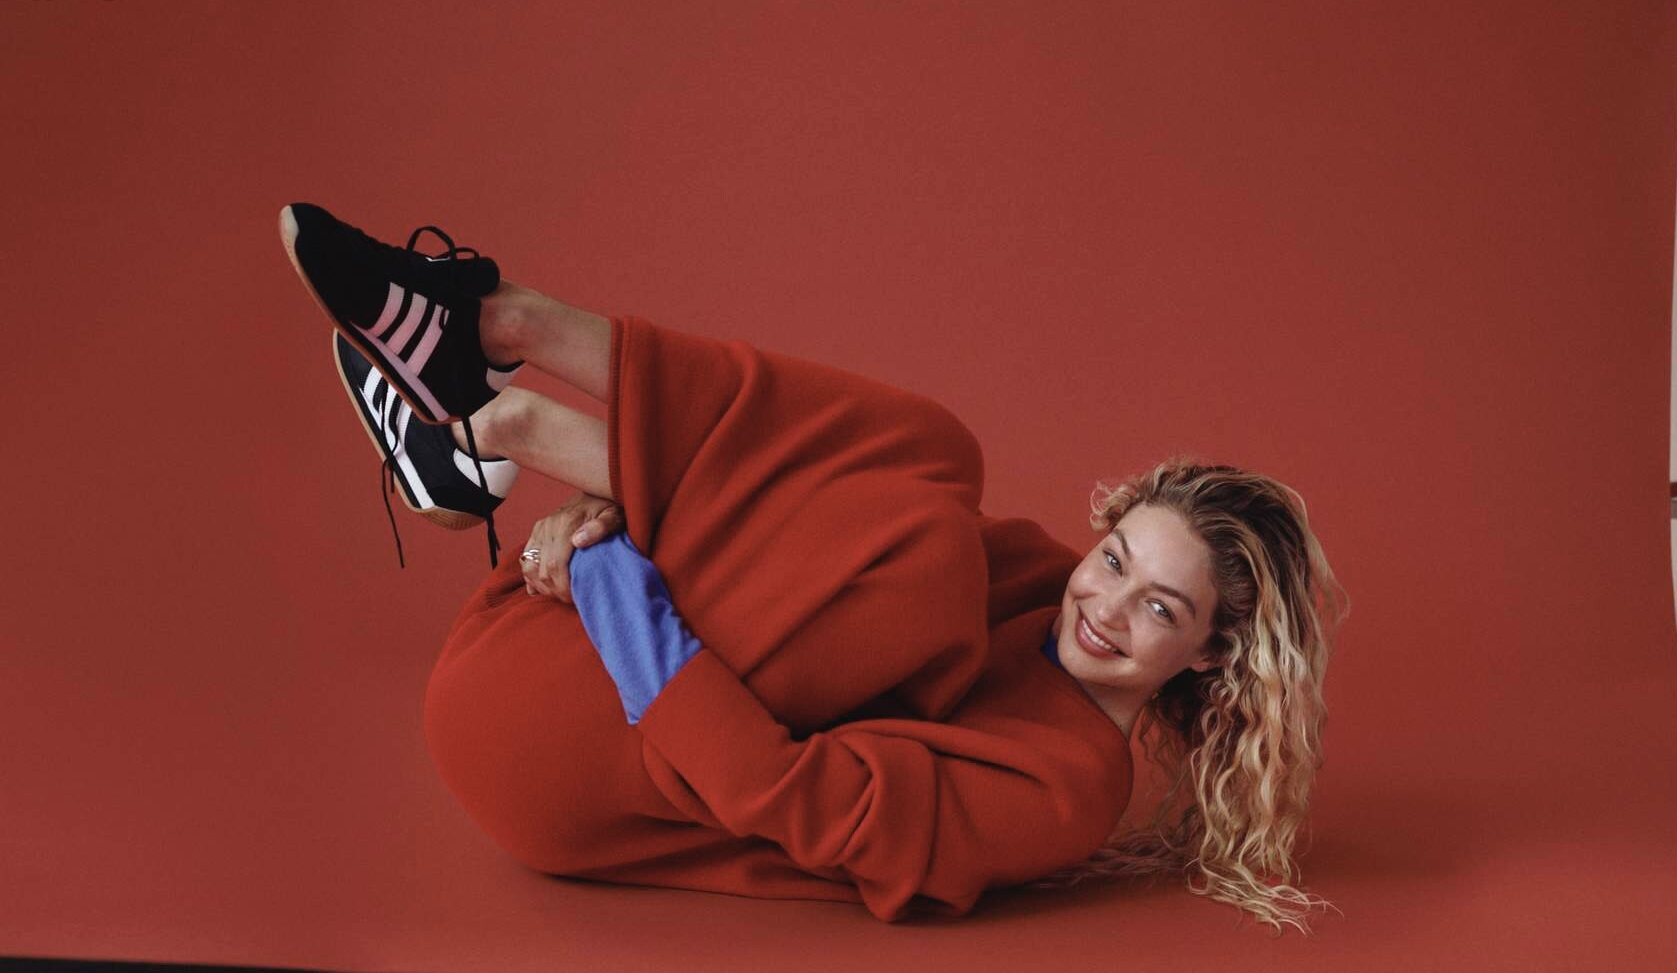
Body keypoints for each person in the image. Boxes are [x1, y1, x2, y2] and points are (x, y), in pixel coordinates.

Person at [279, 203, 1351, 933]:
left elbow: (777, 789)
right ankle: (495, 334)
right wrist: (607, 511)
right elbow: (784, 525)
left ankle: (497, 419)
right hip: (534, 633)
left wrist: (610, 566)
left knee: (924, 558)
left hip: (561, 762)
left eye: (1158, 607)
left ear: (1208, 652)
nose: (1103, 604)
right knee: (935, 456)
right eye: (1113, 558)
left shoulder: (1064, 790)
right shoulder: (1034, 576)